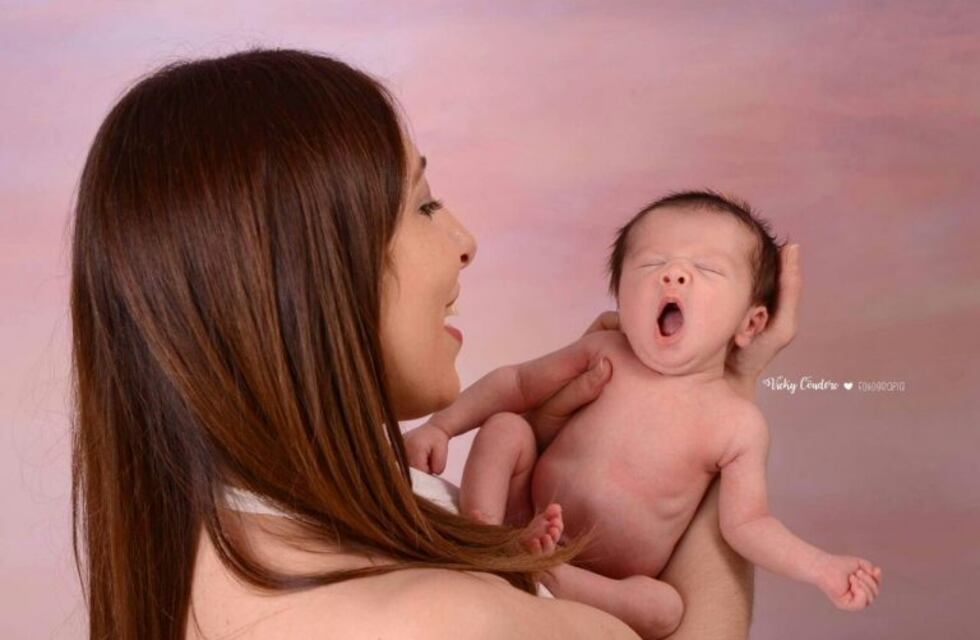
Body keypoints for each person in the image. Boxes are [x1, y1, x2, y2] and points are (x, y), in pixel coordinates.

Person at [68, 47, 799, 640]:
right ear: (305, 276)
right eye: (422, 204)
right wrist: (713, 404)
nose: (464, 241)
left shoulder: (196, 538)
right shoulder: (447, 621)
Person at [405, 192, 882, 638]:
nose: (673, 275)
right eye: (651, 264)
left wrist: (821, 567)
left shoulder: (736, 424)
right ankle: (485, 540)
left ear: (751, 324)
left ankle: (547, 572)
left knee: (666, 607)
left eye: (707, 269)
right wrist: (442, 425)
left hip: (610, 579)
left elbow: (748, 525)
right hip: (522, 513)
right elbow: (516, 384)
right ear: (619, 299)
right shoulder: (604, 351)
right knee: (507, 428)